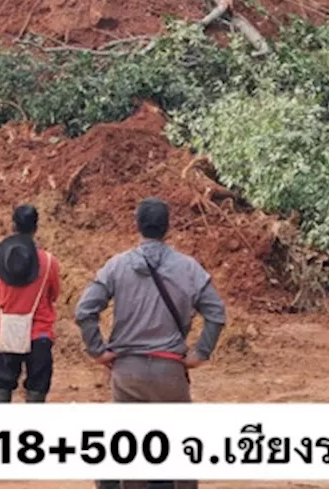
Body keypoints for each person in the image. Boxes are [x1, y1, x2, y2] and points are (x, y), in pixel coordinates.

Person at [76, 197, 227, 489]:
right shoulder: (189, 268)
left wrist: (98, 351)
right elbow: (216, 314)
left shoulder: (117, 266)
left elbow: (85, 310)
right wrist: (201, 353)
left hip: (127, 374)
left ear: (138, 225)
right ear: (167, 228)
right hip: (170, 371)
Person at [0, 204, 61, 403]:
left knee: (2, 384)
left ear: (13, 226)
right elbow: (54, 294)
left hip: (9, 332)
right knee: (37, 386)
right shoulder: (49, 262)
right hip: (40, 333)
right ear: (36, 228)